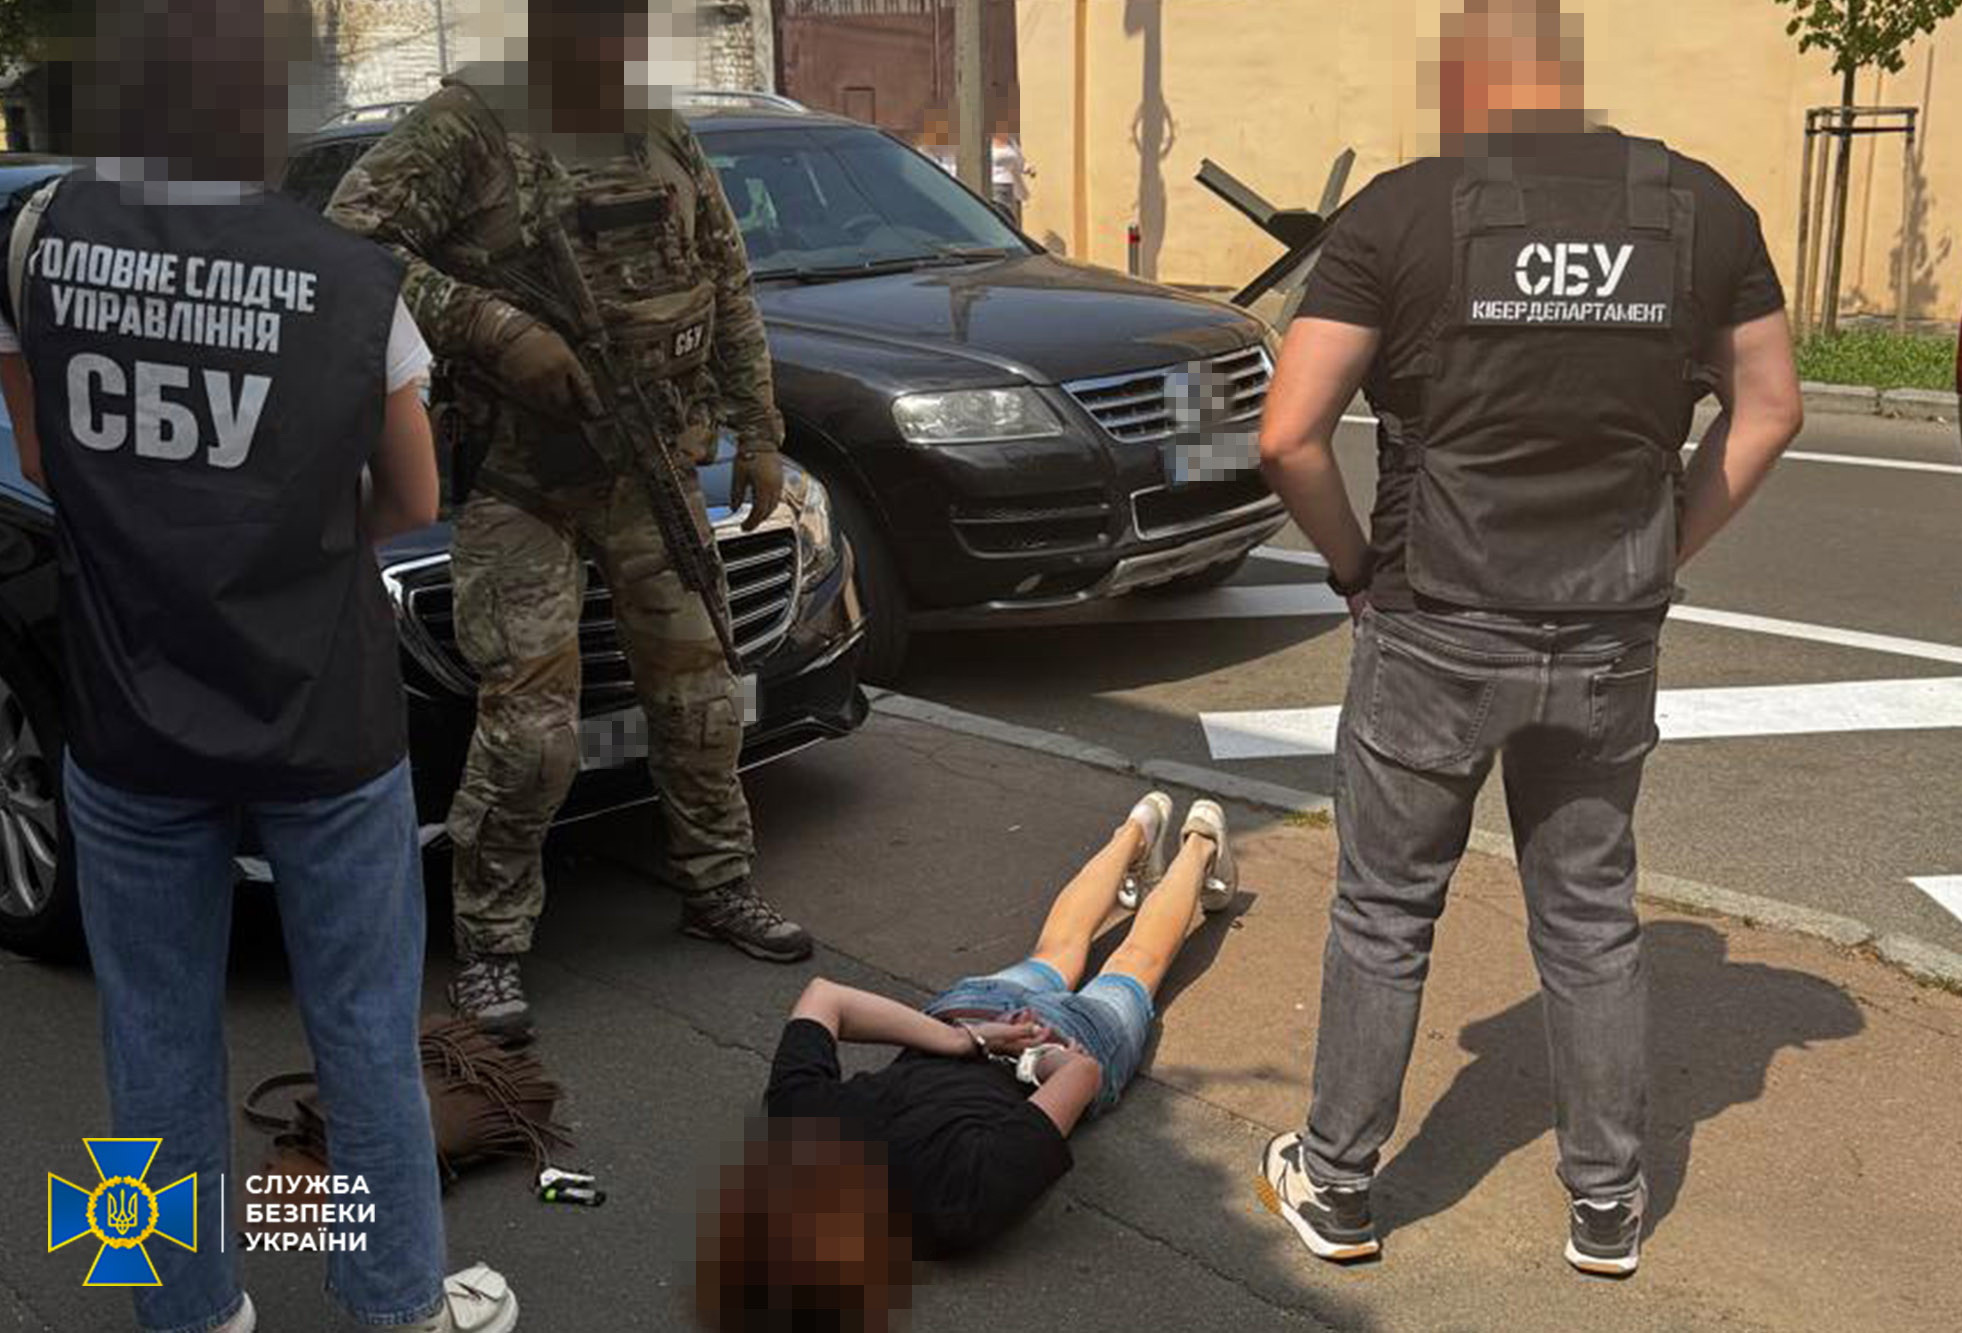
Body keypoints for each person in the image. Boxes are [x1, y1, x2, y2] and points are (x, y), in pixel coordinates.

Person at [1253, 0, 1804, 1278]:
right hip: (1607, 628)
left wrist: (1354, 572)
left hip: (1433, 621)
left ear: (1463, 83)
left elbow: (1285, 435)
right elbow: (1768, 408)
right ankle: (1605, 1205)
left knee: (1385, 910)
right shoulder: (1697, 207)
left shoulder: (1400, 212)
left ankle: (1338, 1185)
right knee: (1590, 914)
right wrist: (1663, 547)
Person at [0, 3, 516, 1330]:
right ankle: (395, 1300)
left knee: (151, 1035)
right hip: (322, 717)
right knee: (361, 1027)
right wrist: (284, 526)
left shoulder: (36, 238)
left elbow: (48, 459)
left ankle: (186, 1308)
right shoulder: (349, 277)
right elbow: (413, 498)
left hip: (128, 713)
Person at [326, 0, 809, 1044]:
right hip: (523, 479)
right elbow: (349, 244)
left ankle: (716, 885)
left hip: (654, 469)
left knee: (701, 696)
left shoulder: (654, 125)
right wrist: (493, 327)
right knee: (532, 732)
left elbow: (725, 280)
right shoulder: (470, 123)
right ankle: (490, 946)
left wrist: (757, 431)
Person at [698, 793, 1239, 1328]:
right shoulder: (796, 1131)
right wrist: (963, 1039)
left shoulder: (950, 1213)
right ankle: (1136, 830)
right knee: (1057, 949)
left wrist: (1032, 1057)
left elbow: (1081, 1073)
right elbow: (825, 998)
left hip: (1058, 1041)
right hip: (967, 1015)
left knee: (1136, 964)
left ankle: (1198, 844)